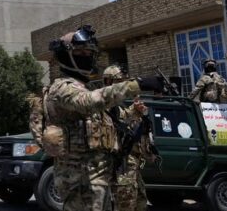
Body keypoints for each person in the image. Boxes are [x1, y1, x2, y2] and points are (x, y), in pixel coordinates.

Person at [43, 25, 163, 211]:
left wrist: (133, 112)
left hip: (98, 176)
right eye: (81, 52)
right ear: (66, 55)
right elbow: (88, 102)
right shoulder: (61, 88)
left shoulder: (83, 88)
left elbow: (110, 117)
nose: (87, 56)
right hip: (79, 178)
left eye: (89, 52)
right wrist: (135, 85)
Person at [103, 66, 157, 211]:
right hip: (120, 170)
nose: (123, 87)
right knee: (124, 206)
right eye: (120, 82)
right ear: (108, 82)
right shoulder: (101, 108)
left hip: (132, 168)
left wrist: (135, 110)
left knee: (140, 203)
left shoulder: (117, 108)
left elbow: (124, 119)